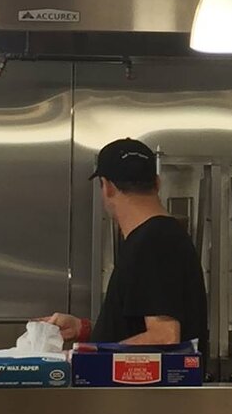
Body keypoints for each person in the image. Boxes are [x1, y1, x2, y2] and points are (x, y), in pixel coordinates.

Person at [42, 138, 209, 350]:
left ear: (107, 187)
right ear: (157, 183)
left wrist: (89, 356)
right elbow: (138, 329)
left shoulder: (153, 241)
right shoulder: (158, 237)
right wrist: (84, 329)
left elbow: (164, 337)